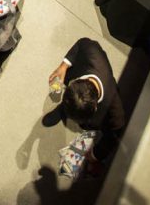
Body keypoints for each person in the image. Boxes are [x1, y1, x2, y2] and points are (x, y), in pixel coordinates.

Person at [43, 38, 125, 174]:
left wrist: (95, 155)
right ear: (77, 82)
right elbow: (82, 43)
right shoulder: (91, 52)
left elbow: (115, 132)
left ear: (95, 108)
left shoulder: (113, 110)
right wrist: (63, 65)